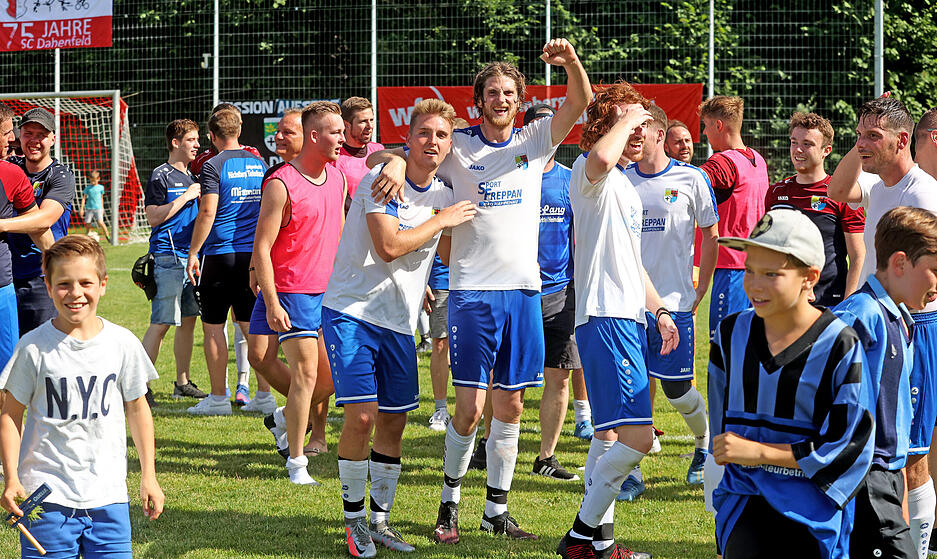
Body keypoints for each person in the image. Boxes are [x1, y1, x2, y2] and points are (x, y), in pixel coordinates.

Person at [369, 38, 591, 543]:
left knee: (510, 407)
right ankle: (449, 504)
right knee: (469, 410)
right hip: (473, 293)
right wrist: (397, 163)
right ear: (479, 101)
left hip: (524, 293)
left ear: (519, 98)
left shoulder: (535, 141)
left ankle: (496, 510)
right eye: (492, 92)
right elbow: (397, 153)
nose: (501, 99)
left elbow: (579, 102)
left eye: (509, 92)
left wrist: (571, 61)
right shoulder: (459, 145)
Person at [322, 99, 475, 557]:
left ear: (450, 146)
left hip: (401, 322)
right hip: (352, 311)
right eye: (424, 133)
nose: (432, 142)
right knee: (363, 417)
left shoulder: (446, 195)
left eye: (441, 136)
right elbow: (389, 246)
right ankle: (353, 523)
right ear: (407, 139)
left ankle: (381, 521)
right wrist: (439, 221)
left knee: (394, 422)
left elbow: (448, 256)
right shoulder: (381, 179)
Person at [705, 209, 874, 558]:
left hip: (810, 510)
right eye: (749, 271)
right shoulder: (730, 334)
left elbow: (848, 447)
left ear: (809, 277)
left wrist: (761, 454)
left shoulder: (839, 344)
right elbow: (723, 430)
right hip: (744, 499)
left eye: (771, 274)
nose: (754, 285)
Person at [555, 83, 677, 559]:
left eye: (644, 126)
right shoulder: (592, 173)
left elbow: (633, 262)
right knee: (639, 438)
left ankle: (601, 545)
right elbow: (600, 160)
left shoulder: (624, 184)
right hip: (605, 319)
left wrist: (660, 310)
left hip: (626, 319)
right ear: (605, 127)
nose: (639, 132)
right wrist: (629, 114)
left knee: (608, 438)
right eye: (630, 124)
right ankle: (581, 538)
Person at [0, 235, 164, 558]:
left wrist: (149, 477)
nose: (75, 293)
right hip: (46, 498)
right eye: (64, 284)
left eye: (85, 282)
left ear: (103, 284)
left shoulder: (122, 343)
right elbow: (10, 414)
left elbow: (137, 409)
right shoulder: (33, 348)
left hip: (109, 497)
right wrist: (11, 477)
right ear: (48, 286)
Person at [828, 96, 937, 556]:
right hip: (886, 319)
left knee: (910, 454)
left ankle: (915, 545)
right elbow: (836, 192)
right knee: (900, 448)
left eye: (874, 136)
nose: (863, 143)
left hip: (920, 323)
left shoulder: (923, 192)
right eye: (859, 134)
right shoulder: (878, 186)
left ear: (903, 140)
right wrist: (865, 140)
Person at [622, 103, 718, 496]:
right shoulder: (620, 178)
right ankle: (632, 471)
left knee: (677, 390)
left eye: (640, 130)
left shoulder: (692, 178)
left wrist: (701, 287)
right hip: (628, 303)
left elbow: (710, 234)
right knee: (632, 386)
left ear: (659, 134)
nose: (634, 137)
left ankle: (703, 441)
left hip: (675, 301)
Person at [252, 101, 344, 485]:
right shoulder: (281, 183)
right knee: (304, 375)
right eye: (335, 132)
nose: (343, 138)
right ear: (313, 136)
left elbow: (338, 235)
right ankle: (296, 464)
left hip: (327, 292)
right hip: (291, 291)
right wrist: (272, 301)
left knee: (331, 379)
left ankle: (281, 417)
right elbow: (262, 246)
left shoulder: (337, 178)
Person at [185, 108, 267, 415]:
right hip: (252, 257)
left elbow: (208, 212)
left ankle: (219, 398)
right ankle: (264, 394)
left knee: (213, 326)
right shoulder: (259, 163)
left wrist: (193, 251)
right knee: (251, 326)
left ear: (212, 136)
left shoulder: (213, 164)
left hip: (220, 254)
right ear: (239, 130)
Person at [524, 103, 590, 482]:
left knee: (559, 376)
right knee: (503, 375)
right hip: (517, 291)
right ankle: (487, 443)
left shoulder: (569, 180)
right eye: (537, 126)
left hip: (559, 292)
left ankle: (546, 456)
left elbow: (578, 237)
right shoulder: (511, 174)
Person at [765, 112, 865, 306]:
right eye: (794, 142)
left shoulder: (843, 195)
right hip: (784, 302)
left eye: (807, 144)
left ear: (826, 150)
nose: (798, 150)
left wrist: (848, 304)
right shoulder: (776, 193)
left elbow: (858, 256)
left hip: (829, 302)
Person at [140, 119, 207, 401]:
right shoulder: (161, 176)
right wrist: (187, 197)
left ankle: (182, 383)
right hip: (168, 257)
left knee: (188, 321)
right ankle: (138, 385)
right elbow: (153, 217)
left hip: (191, 259)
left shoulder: (193, 177)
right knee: (162, 323)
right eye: (191, 139)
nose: (197, 145)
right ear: (175, 143)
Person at [698, 96, 769, 337]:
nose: (705, 133)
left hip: (731, 268)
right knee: (749, 347)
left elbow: (688, 186)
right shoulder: (758, 159)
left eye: (706, 126)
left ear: (718, 126)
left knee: (724, 349)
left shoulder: (721, 162)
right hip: (757, 265)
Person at [1, 108, 75, 336]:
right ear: (19, 135)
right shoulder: (9, 167)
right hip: (7, 274)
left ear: (53, 138)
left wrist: (1, 224)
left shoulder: (60, 175)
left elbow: (44, 219)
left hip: (40, 276)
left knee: (41, 350)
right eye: (28, 133)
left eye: (41, 135)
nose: (34, 141)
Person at [0, 104, 47, 389]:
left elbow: (37, 225)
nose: (12, 139)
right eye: (6, 132)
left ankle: (8, 435)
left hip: (1, 287)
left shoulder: (12, 174)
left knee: (6, 377)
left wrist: (60, 263)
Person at [334, 97, 385, 205]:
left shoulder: (379, 149)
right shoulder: (335, 158)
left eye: (371, 120)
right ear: (346, 125)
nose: (370, 126)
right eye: (363, 121)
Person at [79, 170, 109, 242]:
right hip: (89, 208)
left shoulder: (101, 187)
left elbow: (101, 198)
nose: (92, 182)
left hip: (98, 208)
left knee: (100, 222)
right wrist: (81, 209)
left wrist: (102, 208)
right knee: (88, 223)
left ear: (98, 179)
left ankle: (107, 236)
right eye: (91, 181)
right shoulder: (88, 188)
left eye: (94, 181)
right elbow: (84, 198)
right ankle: (87, 236)